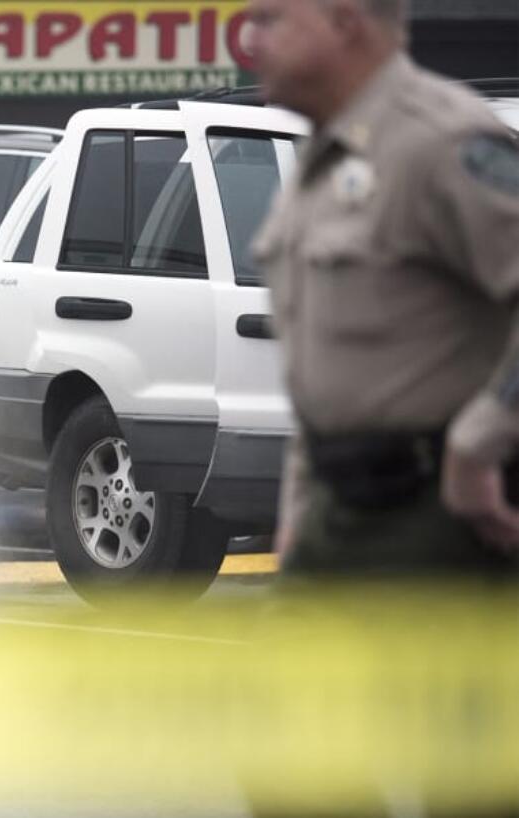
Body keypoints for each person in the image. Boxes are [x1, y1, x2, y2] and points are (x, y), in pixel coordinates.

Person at [247, 0, 519, 577]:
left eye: (270, 19)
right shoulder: (320, 162)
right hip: (334, 514)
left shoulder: (441, 142)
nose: (249, 39)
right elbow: (328, 372)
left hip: (438, 520)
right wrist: (298, 513)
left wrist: (479, 443)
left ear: (346, 23)